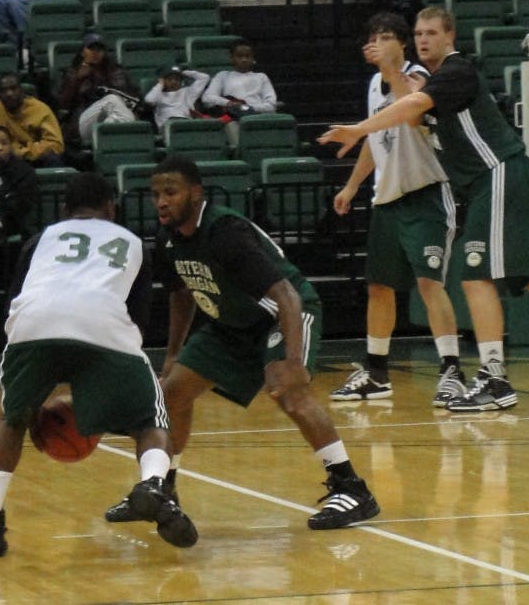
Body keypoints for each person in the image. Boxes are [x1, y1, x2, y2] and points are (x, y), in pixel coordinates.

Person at [318, 6, 529, 412]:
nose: (424, 39)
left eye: (432, 32)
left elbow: (412, 109)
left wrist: (359, 128)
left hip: (497, 174)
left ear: (450, 35)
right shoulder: (422, 83)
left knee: (474, 276)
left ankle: (494, 379)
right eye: (419, 33)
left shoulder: (455, 72)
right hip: (504, 179)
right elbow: (410, 120)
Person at [103, 155, 380, 530]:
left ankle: (351, 487)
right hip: (230, 324)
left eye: (170, 192)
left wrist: (293, 360)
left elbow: (286, 295)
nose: (162, 201)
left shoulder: (224, 231)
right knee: (171, 396)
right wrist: (172, 354)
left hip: (280, 314)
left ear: (196, 193)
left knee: (288, 391)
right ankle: (162, 488)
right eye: (155, 195)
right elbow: (181, 294)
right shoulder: (168, 240)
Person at [0, 171, 197, 557]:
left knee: (11, 419)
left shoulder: (39, 240)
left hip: (33, 325)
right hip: (103, 325)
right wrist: (95, 387)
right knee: (151, 420)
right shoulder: (132, 243)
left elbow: (16, 299)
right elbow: (137, 321)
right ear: (111, 207)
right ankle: (153, 485)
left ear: (64, 210)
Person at [330, 12, 466, 408]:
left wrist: (391, 69)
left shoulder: (419, 75)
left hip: (425, 193)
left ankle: (451, 371)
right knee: (378, 287)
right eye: (373, 37)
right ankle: (376, 371)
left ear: (402, 43)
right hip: (387, 199)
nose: (377, 42)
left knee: (429, 284)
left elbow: (412, 111)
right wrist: (353, 185)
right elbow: (376, 135)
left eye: (386, 36)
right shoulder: (375, 84)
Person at [60, 33, 143, 146]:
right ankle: (134, 132)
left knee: (112, 121)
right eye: (91, 49)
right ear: (82, 52)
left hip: (110, 119)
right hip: (84, 121)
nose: (95, 53)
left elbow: (133, 96)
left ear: (104, 53)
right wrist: (78, 80)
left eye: (99, 49)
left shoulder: (115, 71)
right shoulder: (73, 72)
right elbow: (64, 105)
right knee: (112, 99)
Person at [200, 39, 278, 146]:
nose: (244, 59)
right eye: (240, 56)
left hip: (258, 116)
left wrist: (250, 108)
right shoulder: (223, 76)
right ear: (232, 58)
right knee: (230, 125)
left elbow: (271, 105)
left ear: (253, 58)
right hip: (234, 117)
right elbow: (207, 98)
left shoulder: (261, 77)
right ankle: (240, 152)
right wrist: (229, 103)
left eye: (247, 56)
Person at [0, 72, 65, 168]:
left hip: (35, 159)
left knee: (52, 158)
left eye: (13, 88)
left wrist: (23, 152)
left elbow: (56, 144)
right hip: (5, 161)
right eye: (4, 90)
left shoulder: (40, 109)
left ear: (22, 91)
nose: (9, 94)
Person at [0, 125, 37, 245]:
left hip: (10, 222)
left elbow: (22, 203)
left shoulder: (23, 171)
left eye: (4, 143)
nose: (0, 148)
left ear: (11, 146)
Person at [143, 65, 210, 132]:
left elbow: (205, 78)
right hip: (167, 128)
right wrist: (160, 84)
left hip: (186, 124)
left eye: (177, 79)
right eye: (170, 79)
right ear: (163, 80)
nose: (173, 82)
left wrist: (184, 72)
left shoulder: (188, 92)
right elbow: (149, 100)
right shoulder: (158, 94)